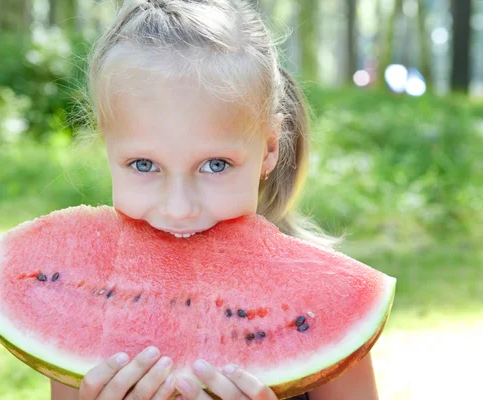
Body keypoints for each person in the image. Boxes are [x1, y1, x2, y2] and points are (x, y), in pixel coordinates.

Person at [52, 0, 379, 399]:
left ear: (270, 147)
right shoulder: (79, 298)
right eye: (142, 164)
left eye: (215, 166)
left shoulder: (325, 303)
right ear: (108, 149)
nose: (178, 208)